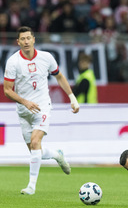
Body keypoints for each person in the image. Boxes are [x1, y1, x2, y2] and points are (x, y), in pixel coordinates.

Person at [3, 26, 80, 195]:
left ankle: (31, 186)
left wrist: (72, 97)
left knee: (36, 142)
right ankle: (56, 154)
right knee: (34, 151)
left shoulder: (46, 57)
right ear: (18, 42)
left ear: (34, 39)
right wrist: (25, 102)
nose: (26, 42)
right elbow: (7, 90)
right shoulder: (13, 62)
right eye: (22, 39)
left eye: (28, 38)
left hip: (42, 106)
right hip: (24, 110)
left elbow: (59, 76)